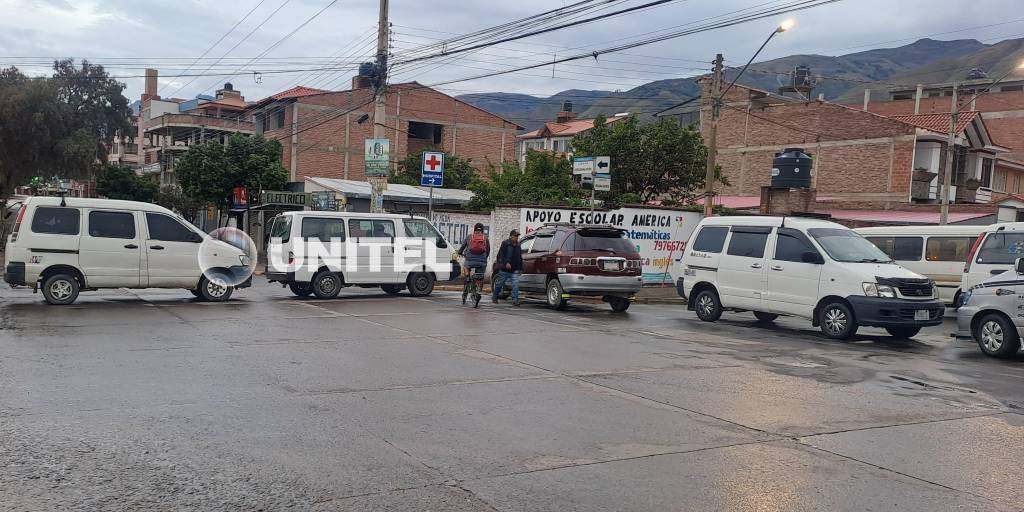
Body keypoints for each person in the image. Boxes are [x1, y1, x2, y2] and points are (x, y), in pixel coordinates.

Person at [458, 223, 490, 305]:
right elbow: (488, 250)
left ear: (474, 229)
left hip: (470, 259)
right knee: (480, 277)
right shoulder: (485, 238)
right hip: (482, 261)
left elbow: (462, 247)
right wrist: (484, 258)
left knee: (466, 266)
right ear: (482, 230)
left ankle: (467, 277)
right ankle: (479, 291)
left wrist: (460, 252)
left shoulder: (470, 236)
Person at [492, 229, 523, 306]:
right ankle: (495, 296)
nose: (517, 237)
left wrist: (520, 268)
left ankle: (515, 300)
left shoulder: (518, 245)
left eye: (517, 236)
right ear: (511, 236)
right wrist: (506, 263)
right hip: (505, 269)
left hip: (515, 269)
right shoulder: (505, 243)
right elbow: (500, 255)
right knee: (500, 284)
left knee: (515, 284)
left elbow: (519, 257)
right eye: (515, 236)